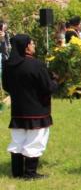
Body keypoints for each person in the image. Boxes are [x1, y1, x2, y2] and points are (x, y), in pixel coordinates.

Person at [3, 34, 58, 179]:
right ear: (26, 46)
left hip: (18, 109)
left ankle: (17, 172)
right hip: (37, 109)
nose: (34, 45)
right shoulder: (36, 64)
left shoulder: (9, 65)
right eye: (32, 43)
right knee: (35, 140)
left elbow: (6, 86)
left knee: (17, 140)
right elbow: (48, 87)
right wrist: (56, 81)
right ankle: (30, 173)